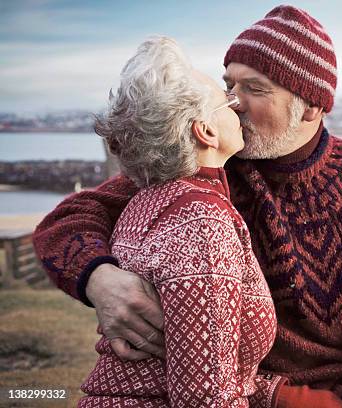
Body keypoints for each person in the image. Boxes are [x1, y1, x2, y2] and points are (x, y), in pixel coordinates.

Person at [34, 5, 342, 408]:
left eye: (255, 88)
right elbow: (67, 219)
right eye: (230, 84)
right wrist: (99, 279)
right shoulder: (199, 167)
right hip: (250, 390)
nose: (233, 102)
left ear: (310, 106)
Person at [73, 35, 294, 407]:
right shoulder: (202, 224)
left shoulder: (146, 201)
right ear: (205, 131)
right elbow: (205, 397)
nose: (237, 106)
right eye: (226, 100)